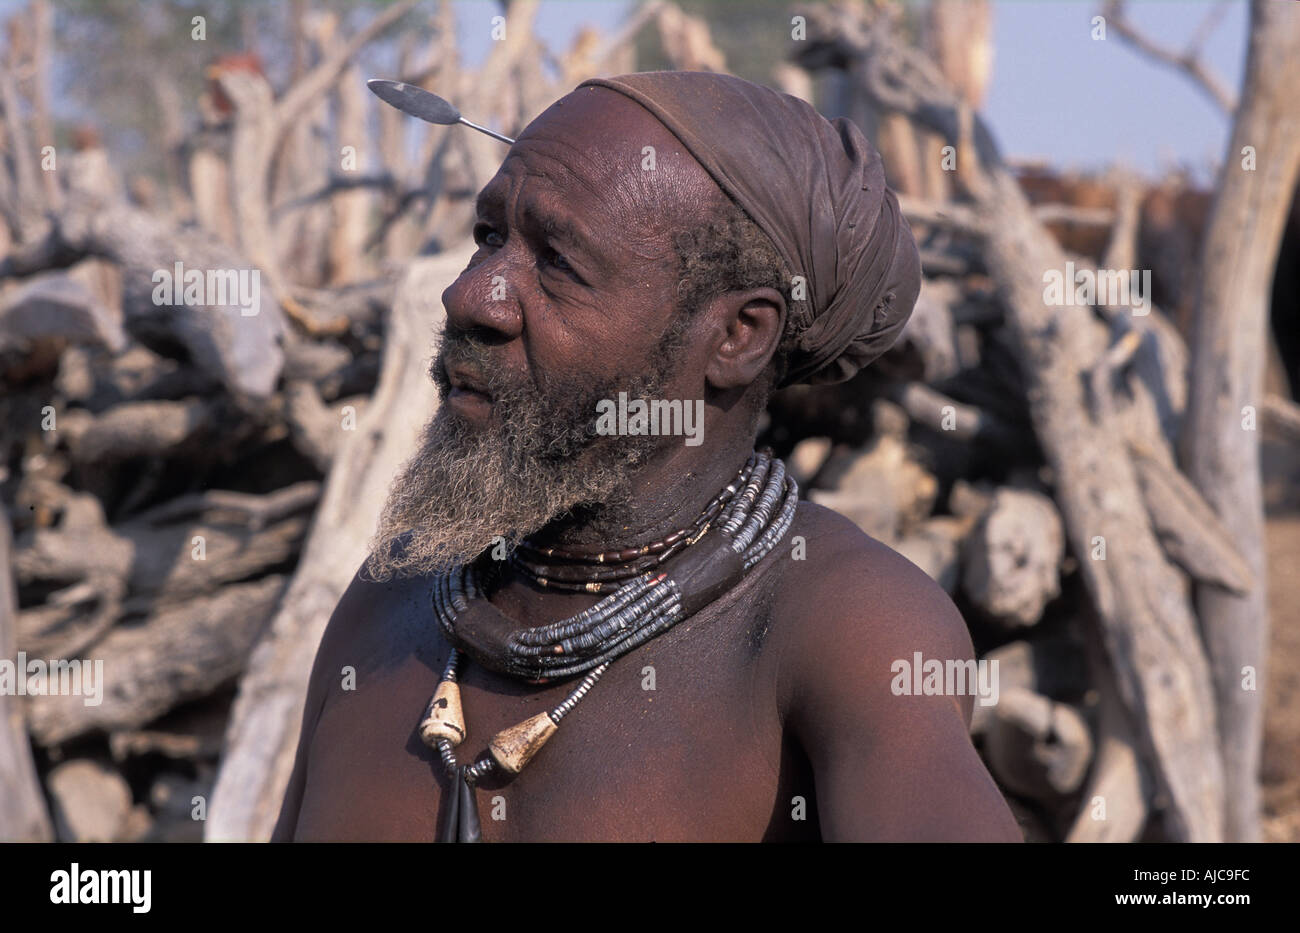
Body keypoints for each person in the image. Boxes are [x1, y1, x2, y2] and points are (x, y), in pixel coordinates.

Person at [272, 71, 1021, 842]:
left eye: (558, 262)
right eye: (490, 236)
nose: (472, 297)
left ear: (738, 337)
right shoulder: (393, 601)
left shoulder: (845, 627)